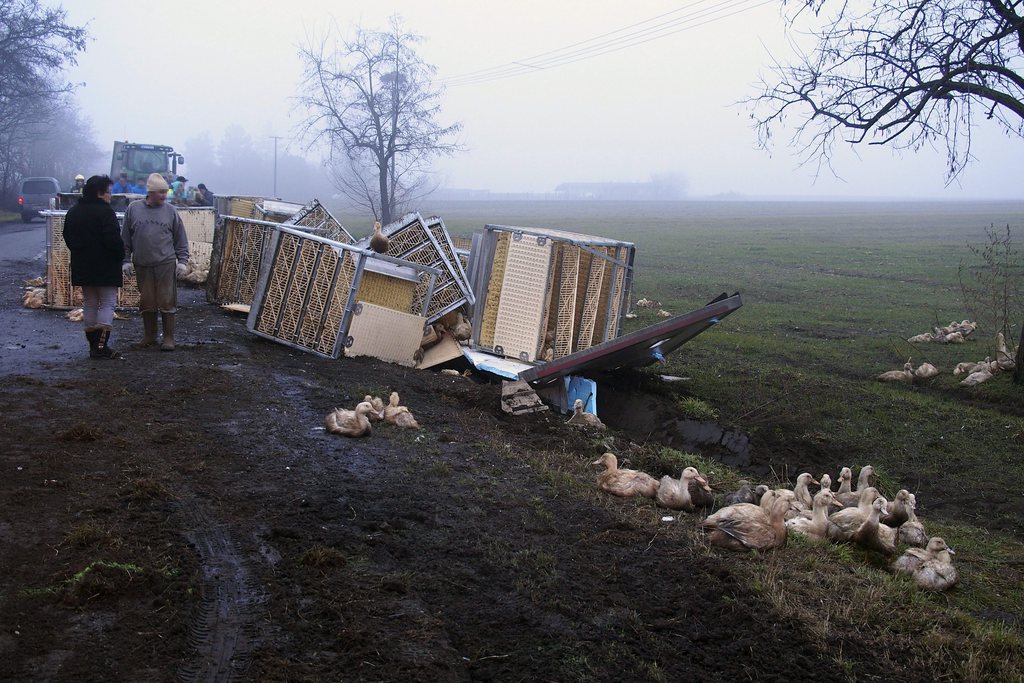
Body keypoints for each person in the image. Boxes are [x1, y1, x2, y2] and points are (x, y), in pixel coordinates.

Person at [121, 172, 190, 351]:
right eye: (160, 192)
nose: (164, 196)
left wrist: (182, 260)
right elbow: (125, 237)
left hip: (165, 262)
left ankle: (168, 338)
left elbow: (180, 238)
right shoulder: (134, 209)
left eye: (165, 192)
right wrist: (125, 260)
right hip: (142, 263)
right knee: (147, 300)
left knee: (167, 300)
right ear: (150, 192)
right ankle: (149, 336)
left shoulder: (170, 211)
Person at [62, 175, 125, 359]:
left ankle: (93, 345)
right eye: (109, 193)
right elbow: (113, 240)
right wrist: (120, 255)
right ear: (99, 193)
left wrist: (80, 252)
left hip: (83, 265)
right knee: (107, 303)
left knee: (89, 303)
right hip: (105, 267)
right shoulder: (106, 212)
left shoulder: (74, 211)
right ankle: (101, 346)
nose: (110, 197)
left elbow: (67, 236)